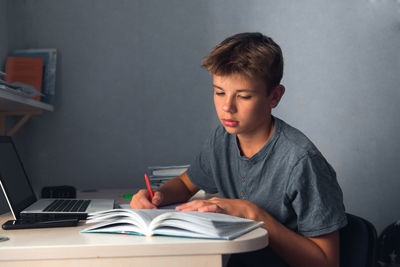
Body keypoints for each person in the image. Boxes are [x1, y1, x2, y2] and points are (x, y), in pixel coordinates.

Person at [131, 32, 347, 267]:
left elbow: (327, 261)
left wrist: (252, 213)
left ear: (274, 96)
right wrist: (158, 196)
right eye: (219, 92)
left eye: (243, 96)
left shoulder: (301, 161)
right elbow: (184, 184)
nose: (227, 107)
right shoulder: (221, 139)